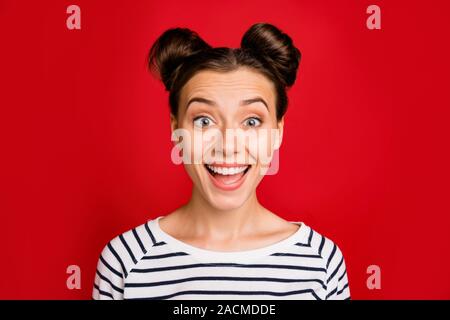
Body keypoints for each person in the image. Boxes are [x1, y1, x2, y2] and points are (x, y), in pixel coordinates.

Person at [92, 22, 350, 300]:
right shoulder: (125, 262)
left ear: (278, 132)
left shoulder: (320, 262)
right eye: (204, 120)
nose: (227, 147)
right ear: (176, 130)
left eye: (251, 121)